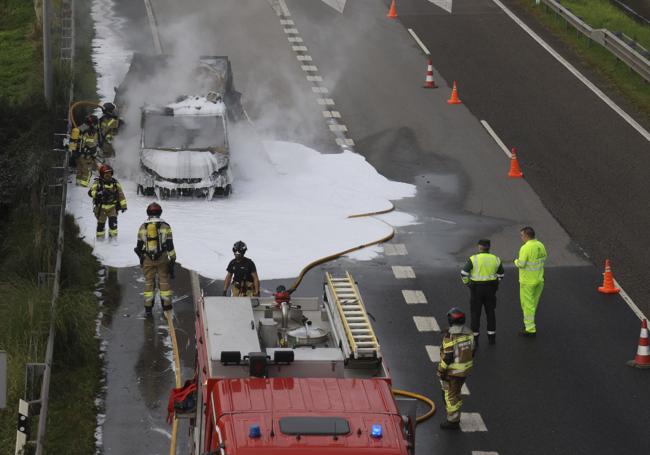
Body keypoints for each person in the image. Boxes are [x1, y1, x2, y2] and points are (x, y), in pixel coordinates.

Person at [134, 202, 177, 316]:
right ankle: (166, 306)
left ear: (148, 212)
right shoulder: (166, 226)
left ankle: (148, 308)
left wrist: (142, 257)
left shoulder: (143, 226)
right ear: (160, 212)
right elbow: (170, 245)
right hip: (162, 258)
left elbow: (139, 246)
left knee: (149, 283)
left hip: (147, 259)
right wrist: (172, 258)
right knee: (164, 282)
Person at [460, 239, 504, 346]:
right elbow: (501, 275)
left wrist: (468, 284)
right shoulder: (496, 259)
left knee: (475, 314)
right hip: (490, 289)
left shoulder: (473, 259)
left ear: (479, 247)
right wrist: (495, 284)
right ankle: (491, 338)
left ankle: (475, 339)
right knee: (490, 313)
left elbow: (463, 273)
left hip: (476, 289)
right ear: (489, 247)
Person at [437, 308, 475, 430]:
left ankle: (453, 421)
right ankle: (456, 415)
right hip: (465, 370)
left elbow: (447, 357)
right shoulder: (469, 332)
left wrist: (440, 370)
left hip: (452, 372)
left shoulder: (449, 336)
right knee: (456, 392)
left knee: (449, 395)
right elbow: (473, 350)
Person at [514, 226, 547, 336]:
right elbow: (544, 258)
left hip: (527, 281)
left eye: (522, 235)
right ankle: (529, 323)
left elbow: (521, 264)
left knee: (527, 304)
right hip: (539, 280)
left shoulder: (525, 248)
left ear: (526, 236)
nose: (521, 238)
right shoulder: (540, 245)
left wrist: (516, 261)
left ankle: (530, 328)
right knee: (533, 304)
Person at [88, 164, 127, 239]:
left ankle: (113, 239)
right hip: (100, 208)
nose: (108, 175)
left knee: (113, 223)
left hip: (112, 207)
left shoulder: (115, 183)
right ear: (102, 174)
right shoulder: (98, 182)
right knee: (101, 225)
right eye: (106, 173)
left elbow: (121, 194)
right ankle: (100, 239)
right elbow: (91, 192)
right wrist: (99, 194)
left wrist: (124, 206)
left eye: (109, 173)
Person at [75, 114, 100, 186]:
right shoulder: (91, 132)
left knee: (79, 168)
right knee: (87, 170)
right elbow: (92, 144)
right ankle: (84, 184)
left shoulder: (81, 128)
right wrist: (93, 153)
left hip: (78, 154)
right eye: (95, 123)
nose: (96, 125)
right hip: (86, 154)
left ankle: (78, 182)